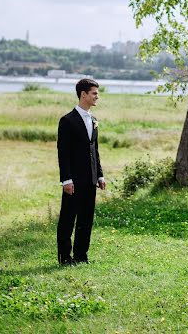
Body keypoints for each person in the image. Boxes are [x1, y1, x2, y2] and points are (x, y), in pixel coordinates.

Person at [57, 78, 106, 265]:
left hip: (91, 179)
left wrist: (100, 175)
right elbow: (63, 153)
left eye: (97, 93)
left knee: (86, 219)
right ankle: (65, 257)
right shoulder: (67, 121)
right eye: (94, 93)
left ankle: (81, 255)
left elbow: (95, 150)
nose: (97, 97)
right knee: (68, 219)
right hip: (74, 180)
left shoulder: (93, 120)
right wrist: (66, 180)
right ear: (83, 94)